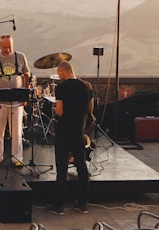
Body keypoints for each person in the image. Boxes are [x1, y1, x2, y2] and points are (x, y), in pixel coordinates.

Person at [49, 61, 93, 215]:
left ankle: (59, 206)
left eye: (60, 74)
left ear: (63, 72)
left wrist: (56, 110)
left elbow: (59, 112)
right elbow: (90, 108)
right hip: (78, 132)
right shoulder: (86, 87)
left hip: (63, 132)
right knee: (81, 166)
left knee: (62, 169)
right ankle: (82, 203)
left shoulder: (61, 88)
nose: (59, 76)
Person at [0, 34, 31, 168]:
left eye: (9, 47)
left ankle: (17, 158)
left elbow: (27, 75)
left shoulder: (20, 57)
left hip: (17, 102)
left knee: (17, 132)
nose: (7, 50)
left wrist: (25, 95)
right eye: (4, 47)